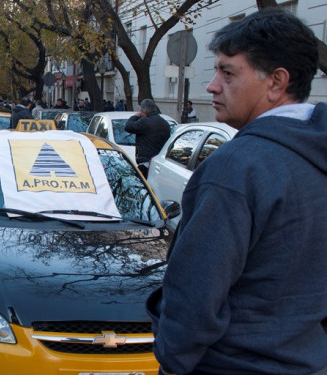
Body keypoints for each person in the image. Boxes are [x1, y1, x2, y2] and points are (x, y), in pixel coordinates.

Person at [146, 8, 327, 375]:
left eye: (227, 72)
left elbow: (194, 295)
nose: (212, 85)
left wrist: (173, 363)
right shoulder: (313, 154)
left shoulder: (236, 168)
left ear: (276, 82)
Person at [124, 98, 170, 178]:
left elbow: (128, 126)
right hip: (159, 163)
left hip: (146, 163)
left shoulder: (145, 122)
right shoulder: (165, 123)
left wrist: (136, 116)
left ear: (143, 111)